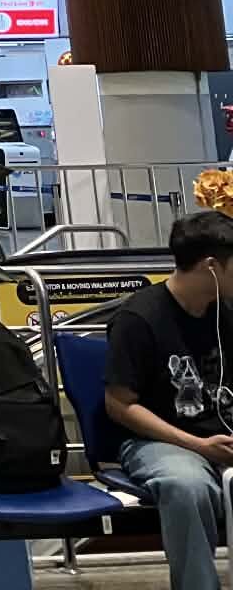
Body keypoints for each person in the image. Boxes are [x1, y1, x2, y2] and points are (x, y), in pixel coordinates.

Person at [105, 211, 233, 590]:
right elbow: (120, 404)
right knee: (186, 485)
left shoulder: (227, 312)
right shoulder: (139, 318)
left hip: (222, 438)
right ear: (212, 266)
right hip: (162, 442)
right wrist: (198, 445)